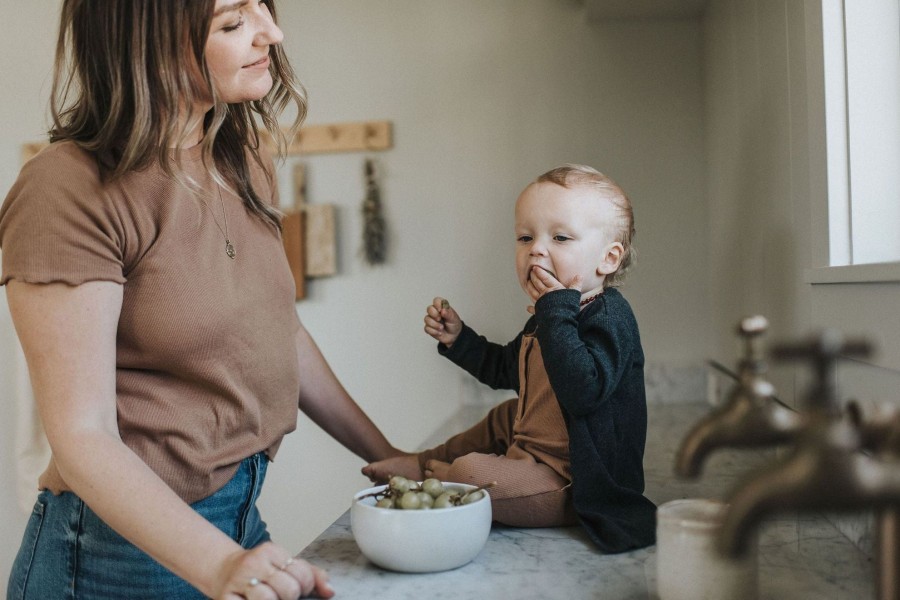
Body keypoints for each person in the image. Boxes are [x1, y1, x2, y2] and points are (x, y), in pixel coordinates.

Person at [1, 1, 404, 598]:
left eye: (261, 8)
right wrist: (219, 567)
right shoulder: (68, 188)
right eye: (232, 22)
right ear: (147, 45)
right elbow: (83, 436)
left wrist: (387, 457)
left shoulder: (239, 159)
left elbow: (281, 333)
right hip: (113, 558)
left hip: (234, 521)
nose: (273, 33)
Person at [363, 164, 657, 553]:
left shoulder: (609, 317)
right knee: (505, 414)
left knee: (470, 469)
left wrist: (554, 312)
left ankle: (453, 477)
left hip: (573, 480)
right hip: (534, 453)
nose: (536, 248)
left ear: (608, 258)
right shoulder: (550, 316)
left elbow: (584, 391)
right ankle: (423, 462)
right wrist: (459, 339)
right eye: (524, 237)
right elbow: (506, 367)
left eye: (561, 237)